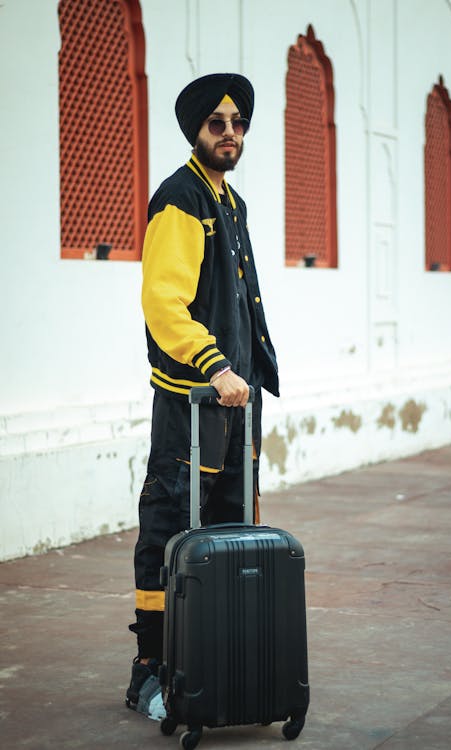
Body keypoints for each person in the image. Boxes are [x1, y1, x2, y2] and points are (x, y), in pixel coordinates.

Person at [126, 73, 279, 719]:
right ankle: (150, 673)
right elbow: (164, 303)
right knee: (170, 530)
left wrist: (250, 372)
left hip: (237, 402)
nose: (230, 133)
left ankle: (213, 662)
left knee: (230, 528)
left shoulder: (231, 201)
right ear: (196, 130)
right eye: (218, 122)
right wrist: (216, 367)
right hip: (194, 402)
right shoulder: (181, 198)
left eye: (238, 122)